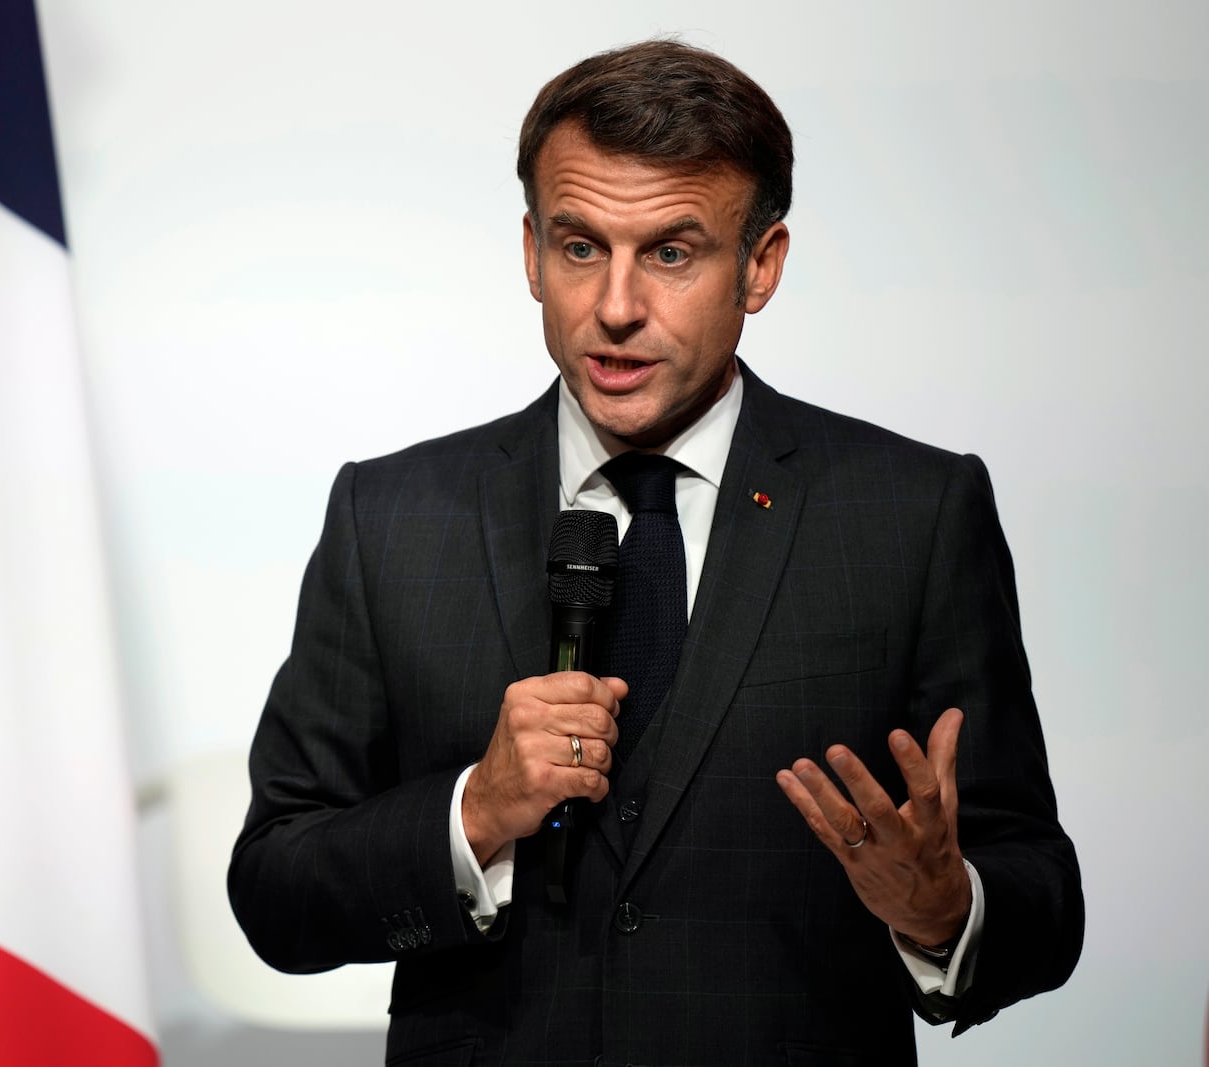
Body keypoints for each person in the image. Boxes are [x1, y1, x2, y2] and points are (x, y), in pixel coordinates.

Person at [228, 38, 1082, 1066]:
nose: (616, 307)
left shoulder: (911, 513)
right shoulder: (394, 515)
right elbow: (275, 888)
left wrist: (942, 909)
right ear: (531, 251)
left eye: (672, 252)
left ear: (760, 264)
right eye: (580, 245)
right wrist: (475, 811)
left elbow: (1038, 896)